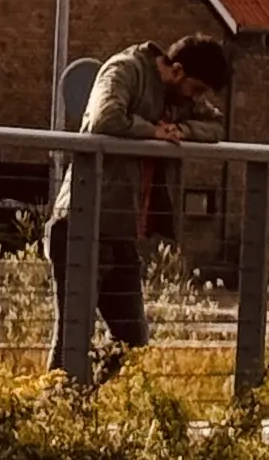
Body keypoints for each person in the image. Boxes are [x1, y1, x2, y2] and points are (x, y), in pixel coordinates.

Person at [50, 33, 229, 376]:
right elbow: (104, 118)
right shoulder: (124, 70)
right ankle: (56, 413)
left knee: (132, 342)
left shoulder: (177, 95)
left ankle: (78, 404)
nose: (196, 99)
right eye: (196, 90)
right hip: (83, 222)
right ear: (177, 71)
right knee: (73, 338)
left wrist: (181, 129)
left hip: (121, 232)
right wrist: (154, 132)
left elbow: (215, 125)